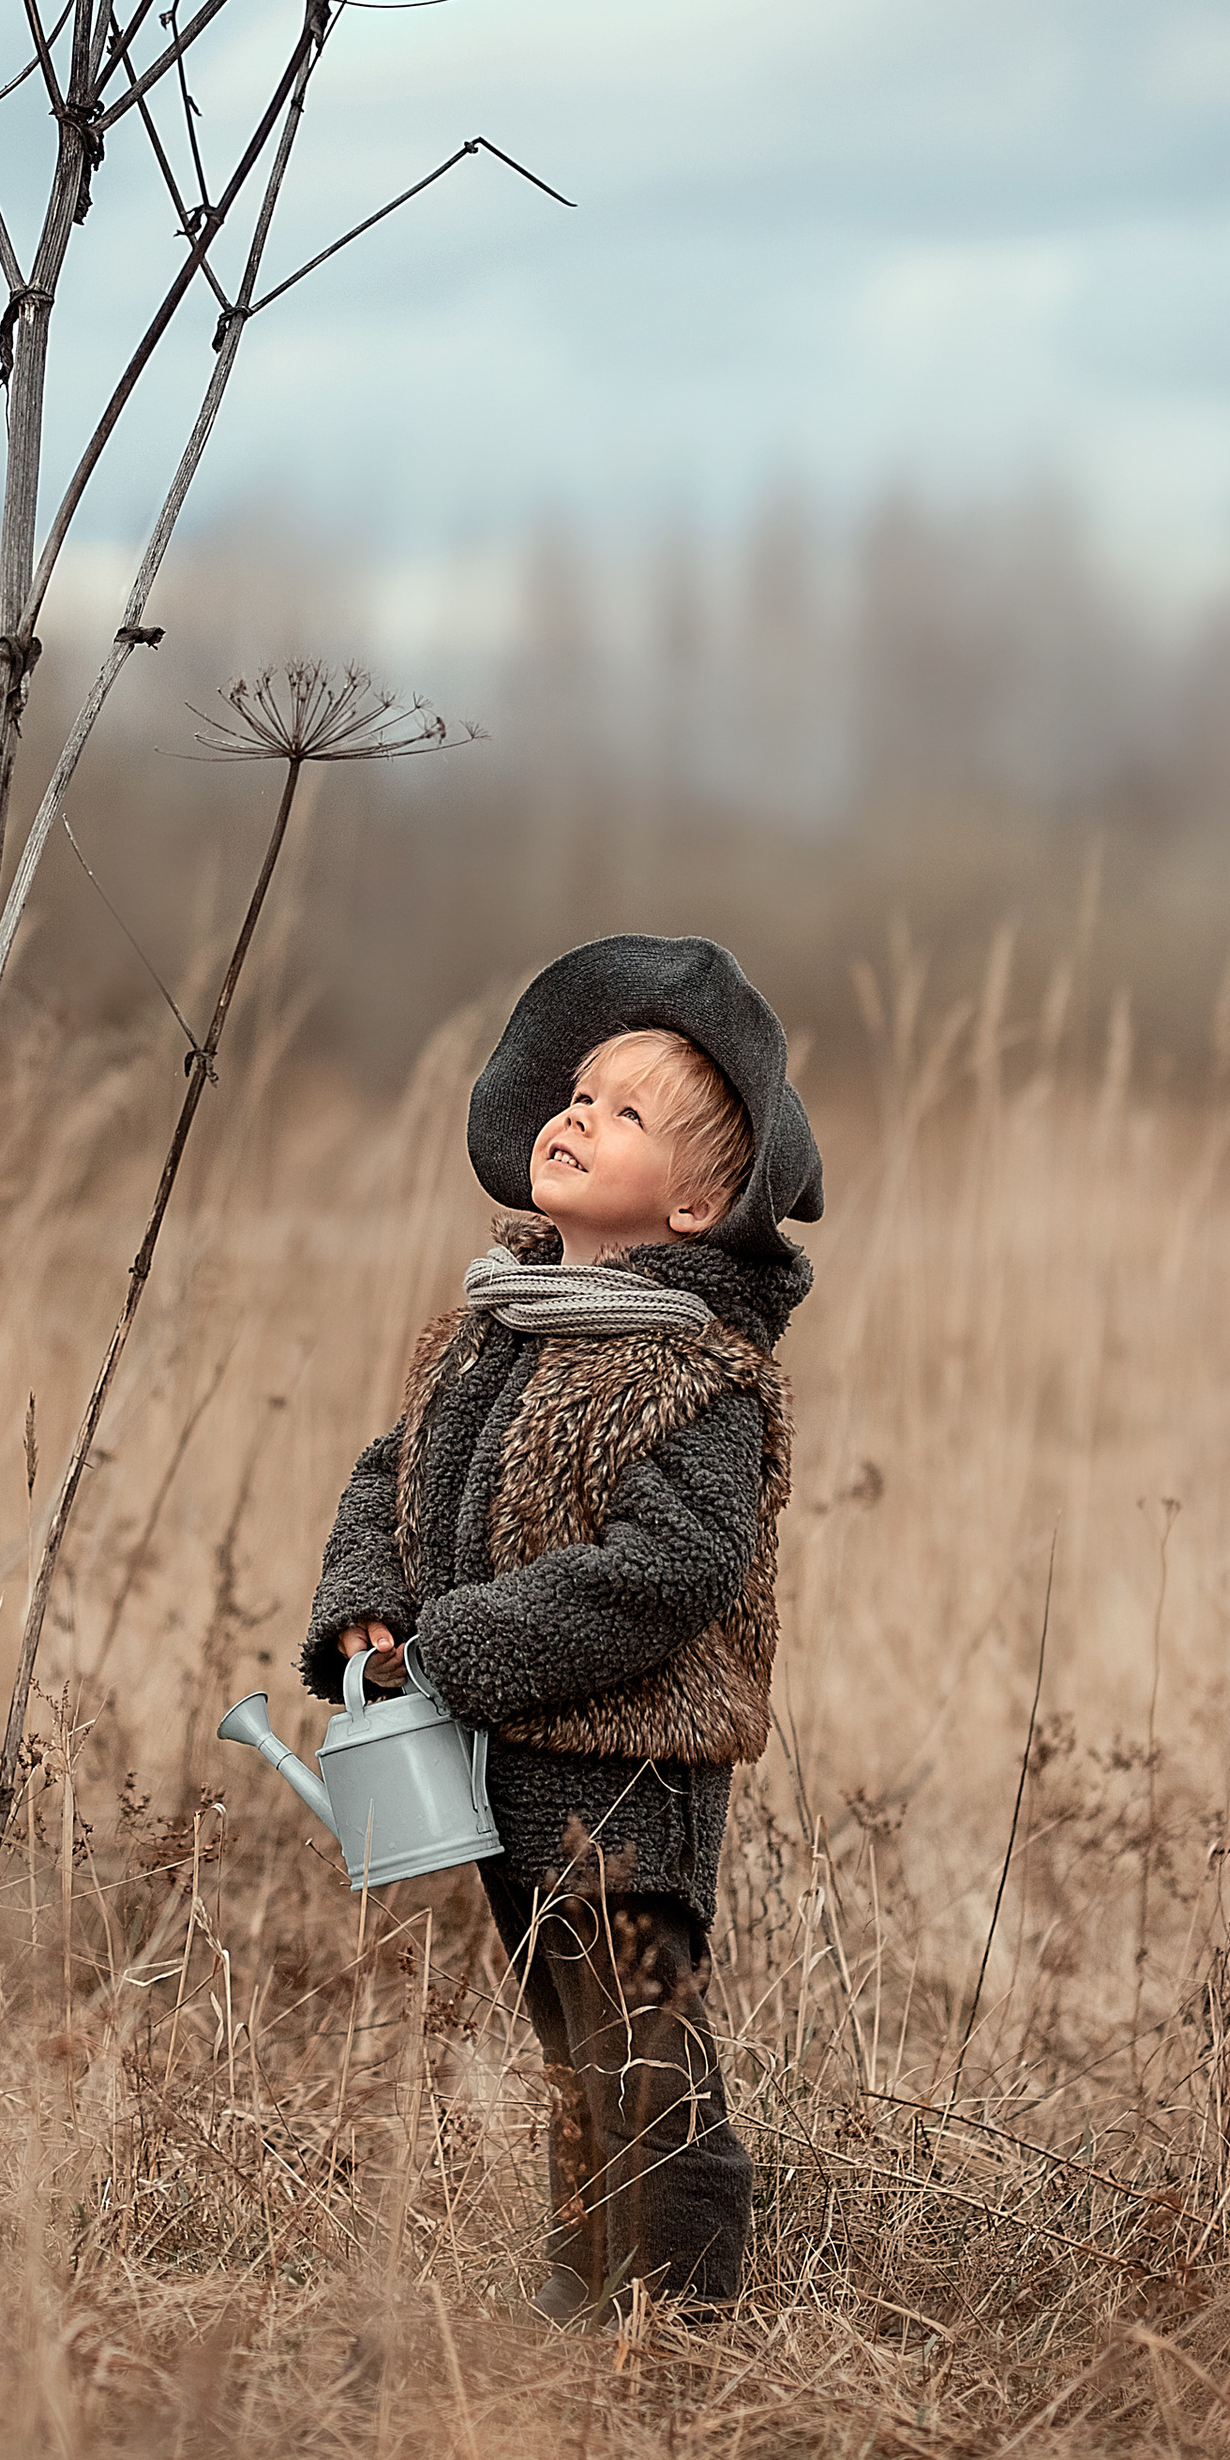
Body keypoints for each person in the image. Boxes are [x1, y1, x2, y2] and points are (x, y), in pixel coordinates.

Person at [298, 935, 821, 2319]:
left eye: (628, 1111)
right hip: (505, 1762)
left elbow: (679, 1565)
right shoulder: (490, 1330)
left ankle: (683, 2313)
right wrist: (367, 1608)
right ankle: (589, 2294)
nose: (580, 1115)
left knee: (641, 2047)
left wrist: (461, 1647)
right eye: (577, 1092)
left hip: (630, 1773)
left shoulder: (692, 1373)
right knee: (570, 2044)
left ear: (700, 1207)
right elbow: (385, 1474)